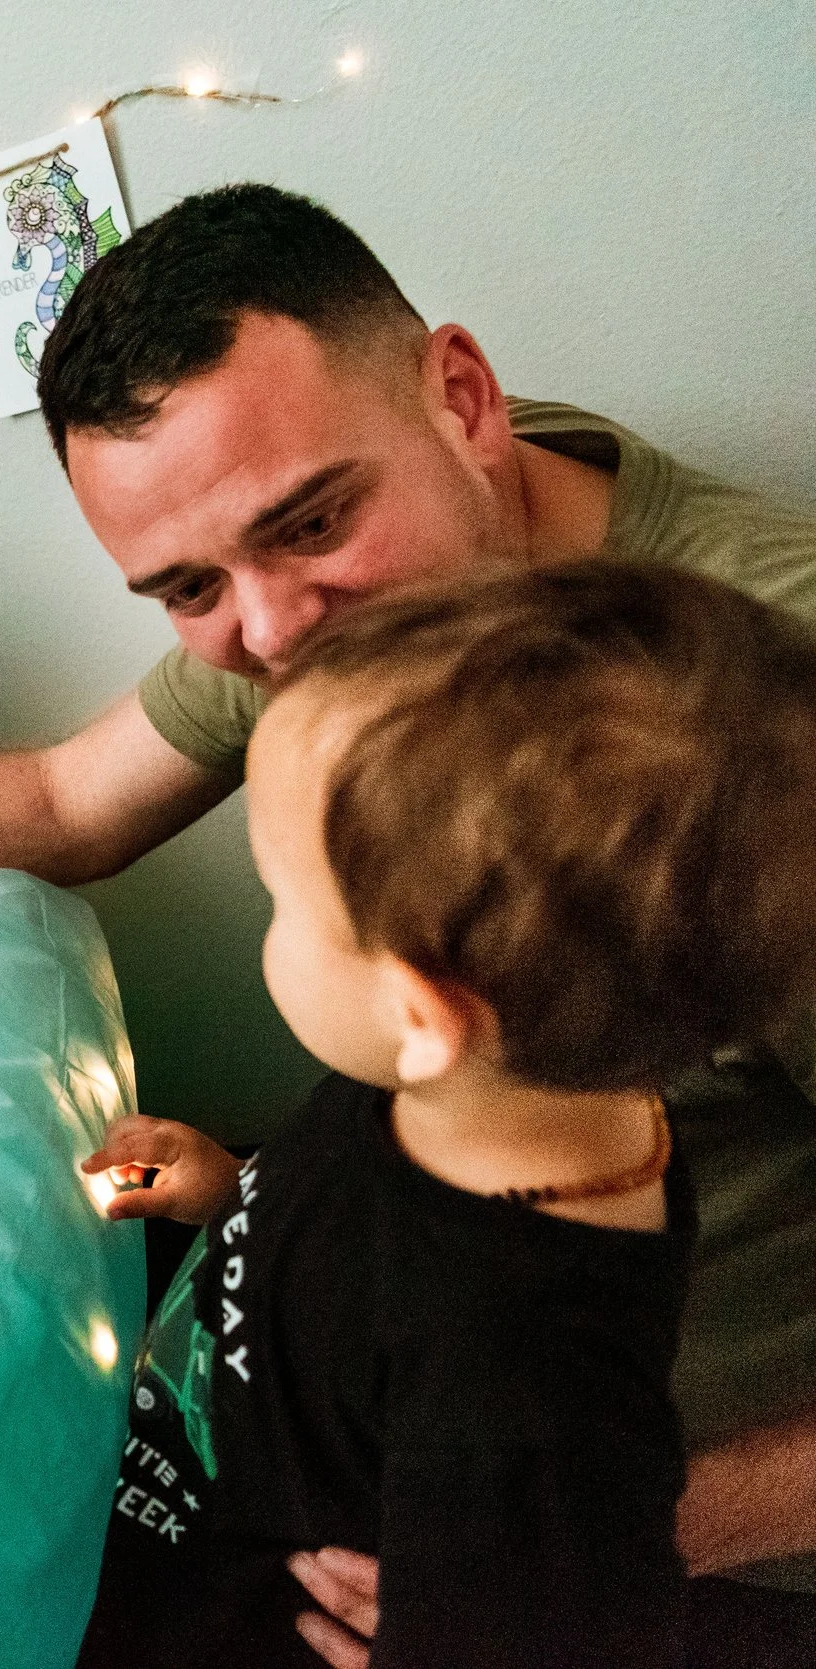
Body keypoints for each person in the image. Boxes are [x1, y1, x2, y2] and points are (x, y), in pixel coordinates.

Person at [0, 184, 816, 1643]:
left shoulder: (755, 734)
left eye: (310, 522)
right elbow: (68, 801)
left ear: (463, 399)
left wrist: (563, 1543)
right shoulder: (385, 589)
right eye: (188, 588)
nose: (270, 632)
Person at [73, 563, 816, 1667]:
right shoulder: (480, 1084)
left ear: (421, 1011)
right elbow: (369, 1251)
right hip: (209, 1436)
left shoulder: (521, 1392)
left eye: (284, 903)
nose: (271, 925)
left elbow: (576, 1613)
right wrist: (230, 1189)